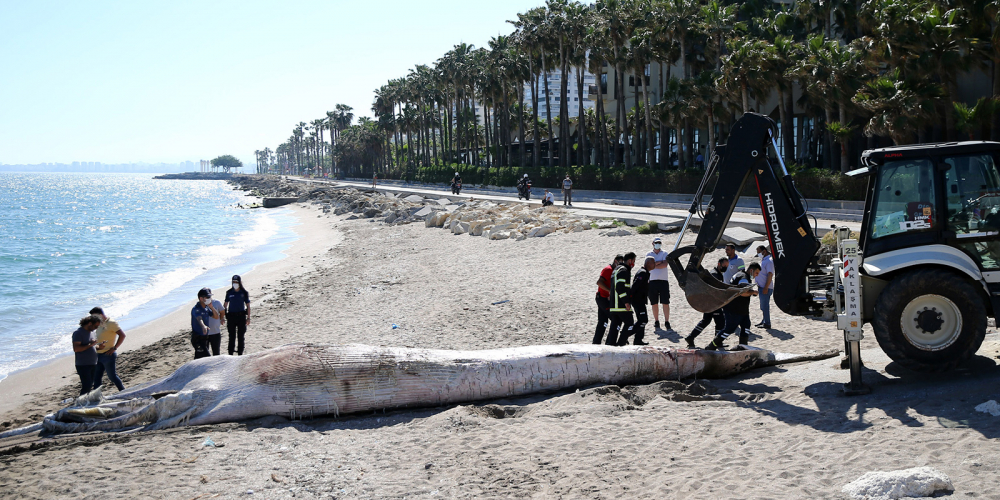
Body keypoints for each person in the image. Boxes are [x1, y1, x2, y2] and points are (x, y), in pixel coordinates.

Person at [705, 263, 761, 351]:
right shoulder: (743, 278)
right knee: (728, 329)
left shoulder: (741, 275)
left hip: (742, 310)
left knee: (746, 326)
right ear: (751, 270)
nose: (756, 275)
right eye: (756, 273)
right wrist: (753, 292)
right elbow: (742, 293)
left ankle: (742, 348)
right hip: (734, 309)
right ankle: (711, 346)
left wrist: (750, 291)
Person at [684, 258, 729, 348]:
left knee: (706, 321)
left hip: (710, 302)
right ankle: (718, 342)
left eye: (727, 266)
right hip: (713, 303)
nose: (725, 268)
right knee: (720, 322)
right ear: (719, 264)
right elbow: (713, 289)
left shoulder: (718, 274)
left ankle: (691, 337)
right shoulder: (714, 274)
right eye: (724, 266)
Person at [90, 307, 126, 392]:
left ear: (100, 315)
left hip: (108, 355)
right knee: (96, 377)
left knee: (112, 377)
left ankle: (123, 391)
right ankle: (97, 397)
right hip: (98, 354)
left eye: (94, 316)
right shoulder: (98, 324)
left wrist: (114, 348)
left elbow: (122, 335)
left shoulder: (111, 323)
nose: (93, 319)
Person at [620, 257, 652, 346]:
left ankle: (638, 340)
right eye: (653, 263)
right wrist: (630, 299)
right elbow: (634, 286)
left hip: (641, 300)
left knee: (641, 320)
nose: (655, 264)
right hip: (637, 300)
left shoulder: (645, 272)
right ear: (648, 264)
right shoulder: (642, 272)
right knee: (643, 320)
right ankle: (626, 335)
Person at [593, 254, 624, 345]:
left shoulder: (616, 271)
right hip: (602, 299)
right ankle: (610, 342)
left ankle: (596, 343)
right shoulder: (608, 270)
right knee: (615, 319)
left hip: (605, 299)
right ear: (615, 261)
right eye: (620, 262)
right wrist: (609, 291)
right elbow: (599, 282)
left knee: (603, 322)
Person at [608, 252, 637, 346]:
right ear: (629, 260)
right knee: (630, 323)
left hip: (613, 306)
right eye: (634, 261)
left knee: (615, 327)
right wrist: (626, 302)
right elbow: (619, 287)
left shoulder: (616, 269)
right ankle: (621, 343)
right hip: (621, 306)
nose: (633, 264)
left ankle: (610, 345)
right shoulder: (624, 270)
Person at [645, 237, 672, 332]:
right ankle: (656, 320)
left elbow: (665, 264)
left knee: (665, 302)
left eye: (659, 242)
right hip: (652, 281)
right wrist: (659, 263)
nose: (658, 244)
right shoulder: (649, 254)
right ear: (653, 243)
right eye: (656, 243)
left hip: (663, 280)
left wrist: (655, 264)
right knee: (654, 302)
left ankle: (667, 321)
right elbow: (649, 266)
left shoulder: (665, 253)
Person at [72, 315, 104, 395]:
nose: (96, 328)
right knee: (86, 385)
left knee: (91, 385)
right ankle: (81, 403)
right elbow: (76, 349)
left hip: (93, 363)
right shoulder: (78, 333)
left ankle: (86, 401)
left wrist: (99, 347)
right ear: (89, 323)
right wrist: (90, 345)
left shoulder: (92, 332)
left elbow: (92, 346)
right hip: (83, 364)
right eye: (96, 326)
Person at [224, 275, 251, 355]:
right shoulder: (229, 292)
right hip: (231, 317)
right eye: (233, 282)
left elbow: (248, 305)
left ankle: (240, 353)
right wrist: (222, 316)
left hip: (241, 317)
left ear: (239, 282)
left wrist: (248, 318)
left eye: (236, 282)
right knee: (231, 336)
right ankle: (230, 353)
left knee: (241, 336)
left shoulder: (244, 292)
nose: (235, 283)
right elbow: (225, 305)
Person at [755, 245, 775, 329]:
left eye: (759, 252)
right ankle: (764, 321)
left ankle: (767, 323)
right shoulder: (763, 260)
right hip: (761, 287)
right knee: (762, 306)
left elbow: (770, 274)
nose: (758, 254)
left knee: (765, 306)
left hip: (765, 288)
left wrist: (766, 287)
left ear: (764, 251)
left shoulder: (769, 261)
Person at [191, 288, 213, 359]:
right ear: (201, 298)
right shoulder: (196, 309)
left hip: (205, 337)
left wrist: (211, 307)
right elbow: (199, 318)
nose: (209, 298)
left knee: (199, 357)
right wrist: (203, 326)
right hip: (198, 339)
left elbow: (214, 315)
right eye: (207, 297)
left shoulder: (206, 308)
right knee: (207, 357)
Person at [206, 291, 225, 356]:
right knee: (205, 354)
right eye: (206, 296)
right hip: (205, 333)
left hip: (215, 332)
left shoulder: (216, 302)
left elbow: (222, 311)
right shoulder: (201, 305)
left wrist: (221, 318)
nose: (208, 298)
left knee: (216, 353)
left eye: (209, 296)